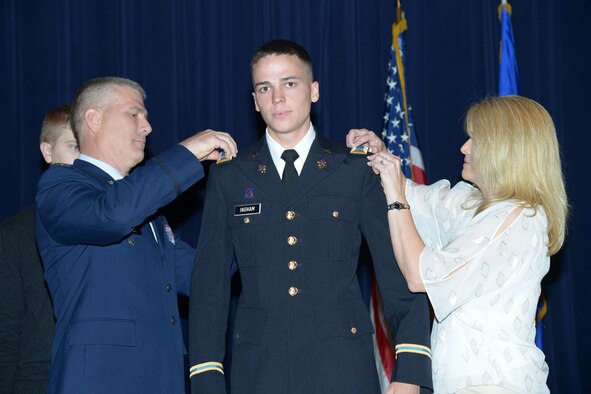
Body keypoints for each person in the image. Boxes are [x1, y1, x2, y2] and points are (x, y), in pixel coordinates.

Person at [189, 39, 432, 394]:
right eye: (264, 88)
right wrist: (207, 378)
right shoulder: (230, 177)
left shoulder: (353, 169)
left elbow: (398, 274)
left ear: (313, 91)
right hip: (259, 372)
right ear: (254, 101)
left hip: (342, 369)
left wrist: (410, 370)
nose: (277, 98)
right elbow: (209, 287)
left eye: (290, 83)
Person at [35, 77, 237, 394]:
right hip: (101, 379)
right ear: (93, 119)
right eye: (134, 114)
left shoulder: (149, 213)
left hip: (161, 377)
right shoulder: (60, 187)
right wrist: (186, 152)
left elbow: (206, 275)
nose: (147, 127)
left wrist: (260, 215)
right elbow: (113, 216)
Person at [359, 96, 567, 393]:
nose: (464, 147)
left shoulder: (519, 217)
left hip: (495, 385)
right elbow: (415, 198)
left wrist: (395, 197)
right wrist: (382, 156)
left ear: (505, 149)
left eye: (475, 139)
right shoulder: (478, 205)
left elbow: (420, 276)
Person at [0, 106, 78, 394]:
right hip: (38, 380)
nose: (83, 159)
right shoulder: (15, 234)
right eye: (73, 147)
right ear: (47, 152)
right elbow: (6, 331)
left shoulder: (115, 223)